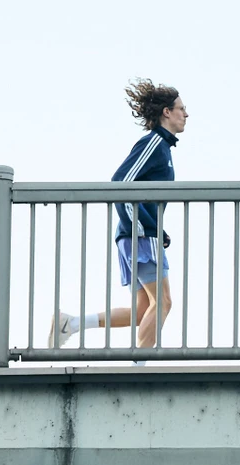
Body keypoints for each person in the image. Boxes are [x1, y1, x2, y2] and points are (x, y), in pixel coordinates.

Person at [50, 78, 187, 350]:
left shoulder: (163, 148)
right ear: (166, 112)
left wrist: (156, 229)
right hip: (138, 235)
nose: (186, 115)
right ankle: (139, 367)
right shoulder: (155, 144)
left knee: (143, 310)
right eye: (182, 109)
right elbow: (120, 182)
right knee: (163, 302)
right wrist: (140, 226)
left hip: (137, 234)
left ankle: (70, 324)